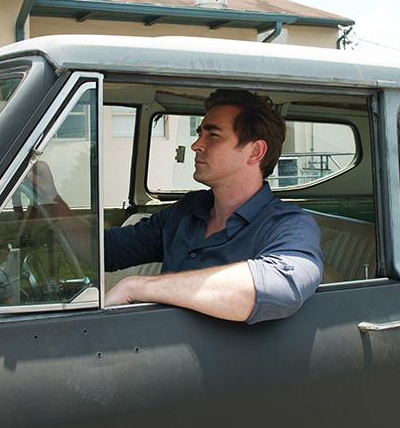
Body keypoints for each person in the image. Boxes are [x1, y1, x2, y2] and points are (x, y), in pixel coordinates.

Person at [103, 90, 323, 324]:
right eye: (200, 134)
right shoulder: (187, 210)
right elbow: (110, 249)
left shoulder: (289, 225)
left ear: (255, 152)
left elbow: (282, 285)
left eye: (213, 136)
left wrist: (137, 287)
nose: (196, 145)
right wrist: (71, 221)